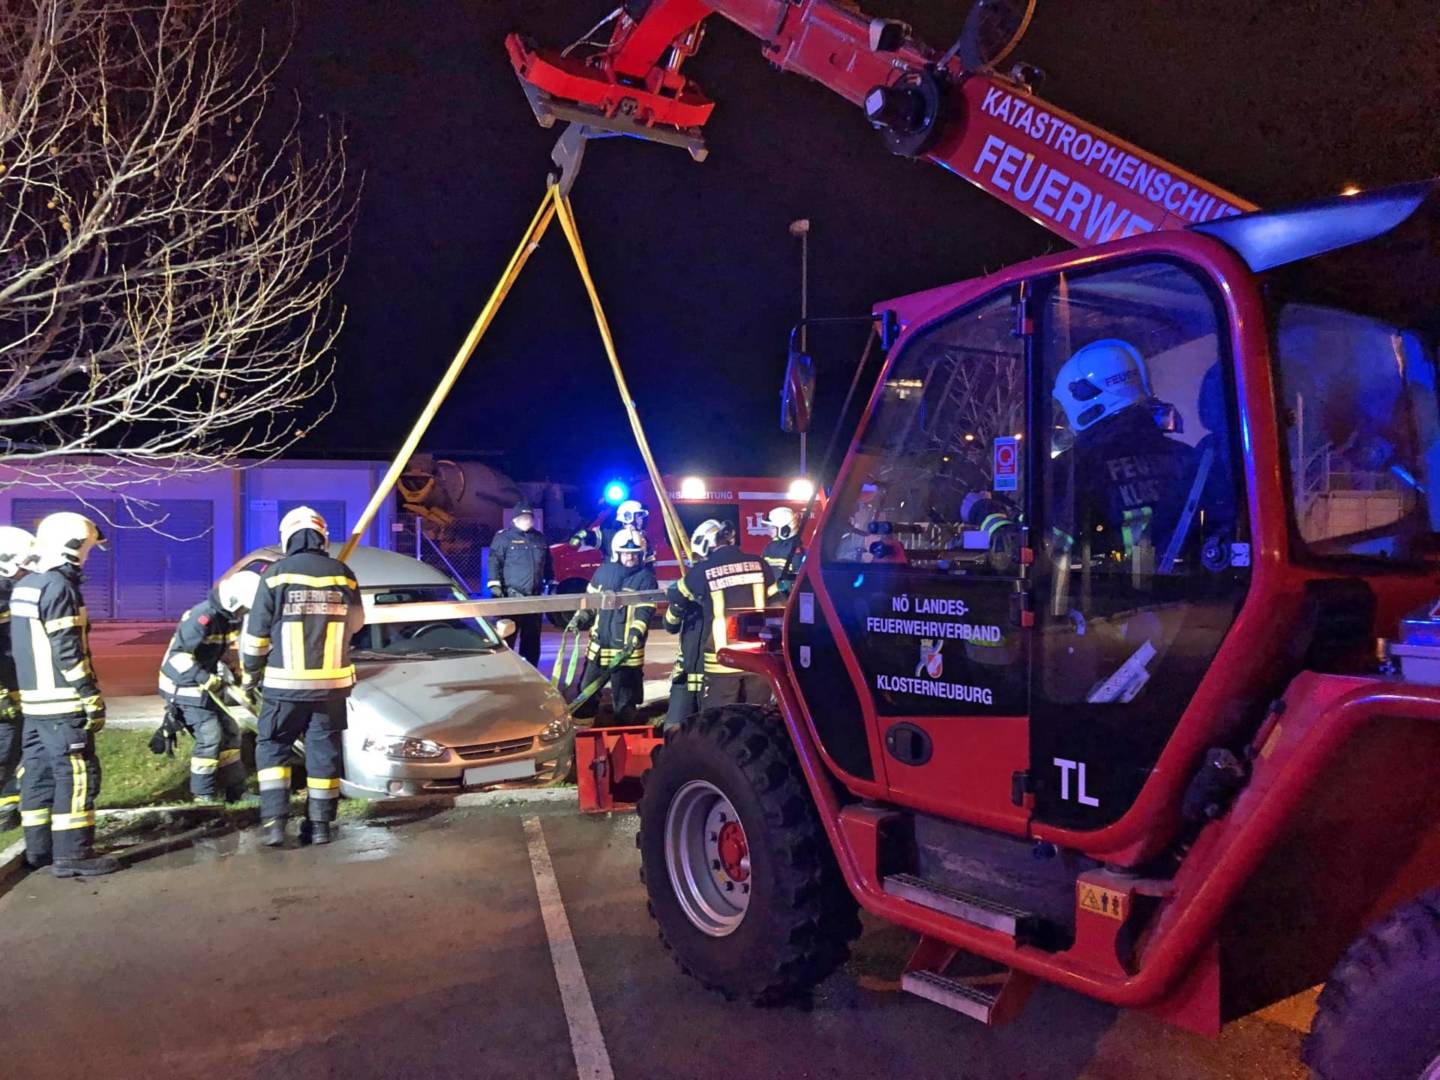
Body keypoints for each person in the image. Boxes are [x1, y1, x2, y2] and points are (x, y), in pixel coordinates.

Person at [241, 506, 363, 847]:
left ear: (287, 537)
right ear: (322, 536)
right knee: (323, 752)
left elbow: (256, 635)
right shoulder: (344, 574)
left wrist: (250, 673)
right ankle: (321, 826)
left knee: (273, 747)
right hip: (332, 686)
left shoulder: (276, 574)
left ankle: (275, 824)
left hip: (285, 686)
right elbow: (357, 624)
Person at [12, 512, 116, 877]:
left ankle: (39, 851)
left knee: (38, 776)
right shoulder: (60, 588)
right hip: (63, 704)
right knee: (76, 776)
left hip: (35, 706)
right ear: (74, 547)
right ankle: (74, 855)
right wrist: (89, 695)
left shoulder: (27, 585)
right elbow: (67, 649)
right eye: (87, 549)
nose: (87, 557)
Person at [1049, 338, 1198, 585]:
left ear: (1084, 397)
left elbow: (1047, 548)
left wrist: (987, 517)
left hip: (1111, 606)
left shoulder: (1075, 468)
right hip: (1189, 599)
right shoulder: (1187, 457)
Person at [159, 571, 261, 804]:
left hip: (202, 683)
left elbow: (218, 652)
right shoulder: (202, 616)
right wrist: (203, 677)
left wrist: (231, 672)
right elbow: (178, 658)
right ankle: (202, 796)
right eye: (244, 608)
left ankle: (236, 792)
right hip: (182, 685)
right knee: (210, 734)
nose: (245, 613)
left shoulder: (228, 618)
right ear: (234, 601)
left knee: (231, 732)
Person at [668, 519, 774, 709]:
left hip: (723, 657)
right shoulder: (759, 563)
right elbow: (778, 602)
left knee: (719, 719)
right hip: (759, 655)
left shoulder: (703, 570)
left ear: (705, 544)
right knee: (758, 714)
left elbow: (676, 592)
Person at [572, 531, 657, 724]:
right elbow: (590, 601)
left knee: (625, 698)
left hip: (626, 650)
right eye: (626, 553)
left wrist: (636, 634)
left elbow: (645, 611)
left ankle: (625, 734)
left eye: (635, 553)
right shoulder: (603, 572)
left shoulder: (646, 578)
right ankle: (583, 730)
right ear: (616, 553)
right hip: (600, 645)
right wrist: (580, 617)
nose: (631, 557)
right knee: (587, 690)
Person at [662, 520, 719, 729]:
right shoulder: (690, 583)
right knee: (673, 730)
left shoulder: (714, 586)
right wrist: (678, 606)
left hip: (711, 673)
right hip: (686, 671)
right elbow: (670, 625)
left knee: (708, 731)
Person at [487, 499, 552, 666]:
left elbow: (548, 564)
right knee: (508, 638)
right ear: (514, 519)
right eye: (523, 518)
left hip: (534, 599)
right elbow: (494, 561)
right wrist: (495, 586)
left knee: (531, 641)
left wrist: (551, 582)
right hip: (512, 598)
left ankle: (530, 671)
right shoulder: (504, 538)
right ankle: (505, 671)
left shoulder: (540, 539)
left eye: (529, 517)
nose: (527, 520)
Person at [0, 527, 34, 830]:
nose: (28, 571)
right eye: (24, 565)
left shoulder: (10, 592)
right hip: (3, 693)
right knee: (4, 747)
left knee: (15, 749)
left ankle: (9, 812)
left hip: (15, 687)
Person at [762, 507, 802, 596]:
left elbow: (791, 581)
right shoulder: (770, 547)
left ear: (785, 530)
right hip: (772, 598)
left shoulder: (795, 551)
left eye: (772, 528)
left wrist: (770, 591)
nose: (769, 531)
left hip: (782, 600)